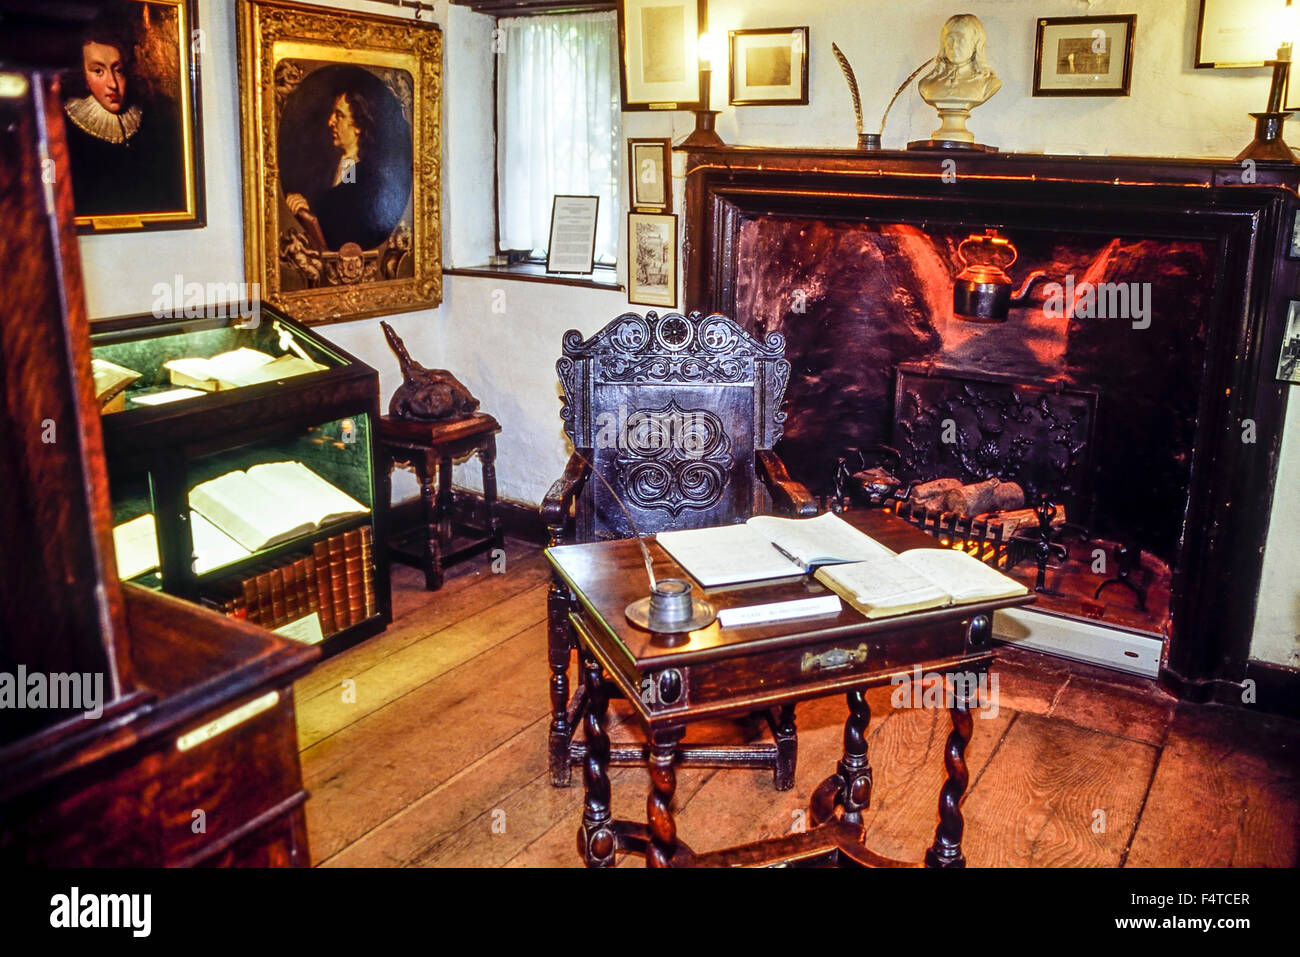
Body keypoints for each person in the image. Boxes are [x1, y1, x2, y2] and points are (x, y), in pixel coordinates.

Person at [62, 13, 184, 216]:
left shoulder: (152, 122)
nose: (112, 84)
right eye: (98, 71)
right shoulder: (65, 127)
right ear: (83, 76)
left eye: (118, 70)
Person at [284, 89, 401, 251]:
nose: (330, 121)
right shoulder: (330, 167)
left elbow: (343, 215)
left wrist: (311, 212)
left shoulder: (369, 176)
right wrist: (302, 205)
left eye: (339, 115)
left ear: (358, 126)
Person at [917, 14, 1002, 109]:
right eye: (949, 39)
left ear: (976, 43)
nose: (954, 45)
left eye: (961, 39)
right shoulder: (926, 84)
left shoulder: (988, 84)